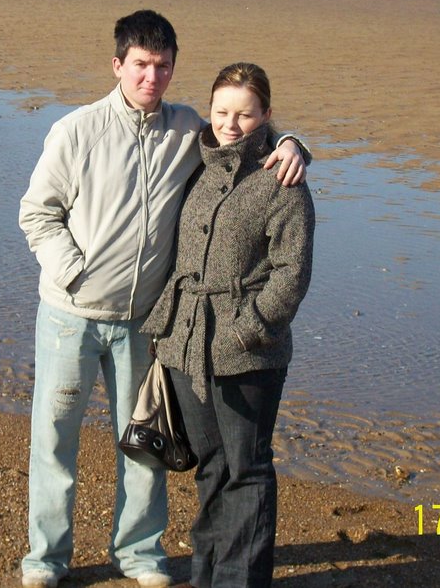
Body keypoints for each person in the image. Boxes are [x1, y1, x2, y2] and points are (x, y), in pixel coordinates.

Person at [17, 11, 308, 588]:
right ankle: (46, 560)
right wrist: (76, 274)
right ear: (118, 65)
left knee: (147, 445)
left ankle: (140, 553)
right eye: (141, 65)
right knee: (54, 439)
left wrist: (295, 142)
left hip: (144, 323)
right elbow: (37, 213)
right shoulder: (76, 130)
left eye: (163, 66)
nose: (152, 77)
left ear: (174, 68)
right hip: (70, 315)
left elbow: (243, 137)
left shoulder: (186, 130)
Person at [141, 62, 315, 588]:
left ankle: (241, 581)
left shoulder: (282, 180)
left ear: (265, 115)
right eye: (221, 111)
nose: (231, 124)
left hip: (247, 352)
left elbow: (293, 273)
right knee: (211, 467)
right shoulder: (194, 159)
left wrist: (249, 330)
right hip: (184, 343)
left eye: (244, 113)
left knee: (248, 469)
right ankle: (207, 574)